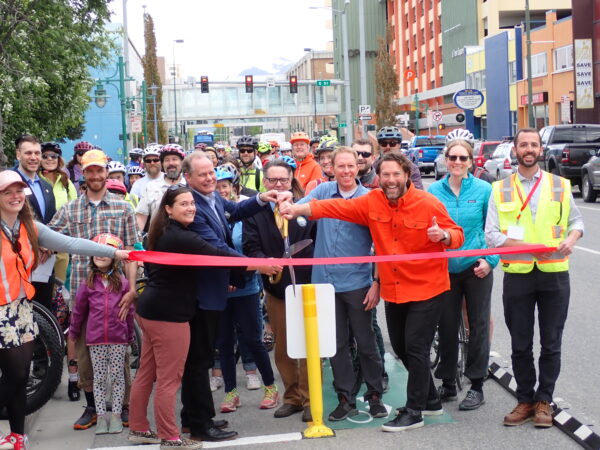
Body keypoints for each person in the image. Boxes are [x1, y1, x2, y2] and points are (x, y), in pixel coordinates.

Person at [280, 151, 464, 432]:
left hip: (427, 287)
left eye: (396, 175)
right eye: (385, 175)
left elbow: (457, 234)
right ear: (379, 177)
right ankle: (430, 400)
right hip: (395, 289)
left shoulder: (427, 203)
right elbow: (331, 208)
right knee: (402, 348)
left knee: (415, 348)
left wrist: (444, 236)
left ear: (405, 176)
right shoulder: (371, 201)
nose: (390, 180)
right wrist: (297, 209)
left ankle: (414, 411)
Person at [0, 170, 130, 450]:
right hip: (0, 312)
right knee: (15, 375)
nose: (15, 196)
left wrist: (113, 253)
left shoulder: (30, 227)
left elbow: (71, 244)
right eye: (7, 192)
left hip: (22, 308)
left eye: (19, 191)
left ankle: (16, 436)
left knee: (21, 375)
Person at [128, 185, 244, 450]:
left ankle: (138, 428)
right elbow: (218, 254)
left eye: (192, 203)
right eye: (184, 204)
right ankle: (170, 437)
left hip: (152, 309)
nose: (191, 207)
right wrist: (259, 264)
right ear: (168, 209)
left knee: (147, 372)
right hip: (169, 315)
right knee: (169, 379)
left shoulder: (165, 231)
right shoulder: (178, 236)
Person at [180, 152, 283, 442]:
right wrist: (256, 264)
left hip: (226, 289)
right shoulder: (193, 207)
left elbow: (235, 210)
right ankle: (200, 425)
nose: (210, 178)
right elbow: (215, 250)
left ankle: (197, 418)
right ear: (188, 178)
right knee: (200, 361)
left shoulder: (210, 198)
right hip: (206, 294)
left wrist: (263, 198)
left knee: (204, 358)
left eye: (211, 172)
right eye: (203, 174)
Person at [485, 128, 584, 428]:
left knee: (551, 342)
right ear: (514, 150)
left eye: (534, 144)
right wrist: (529, 248)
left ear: (541, 149)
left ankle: (545, 401)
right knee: (520, 343)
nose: (529, 149)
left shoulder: (560, 186)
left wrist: (572, 238)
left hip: (554, 274)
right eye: (523, 145)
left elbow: (576, 222)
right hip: (518, 275)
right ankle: (525, 399)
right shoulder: (499, 189)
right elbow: (491, 235)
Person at [49, 149, 139, 431]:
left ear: (106, 172)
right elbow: (50, 235)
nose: (96, 175)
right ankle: (93, 407)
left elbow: (132, 252)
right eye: (90, 171)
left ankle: (124, 406)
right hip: (83, 293)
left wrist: (132, 289)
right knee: (87, 356)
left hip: (117, 296)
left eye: (100, 170)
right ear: (83, 174)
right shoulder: (70, 209)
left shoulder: (123, 208)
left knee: (121, 354)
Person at [297, 147, 386, 421]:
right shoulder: (322, 192)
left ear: (358, 167)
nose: (347, 171)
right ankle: (345, 397)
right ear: (331, 168)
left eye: (351, 166)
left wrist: (376, 282)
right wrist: (291, 207)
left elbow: (381, 245)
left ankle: (374, 395)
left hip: (357, 282)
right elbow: (302, 211)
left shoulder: (371, 198)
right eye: (341, 166)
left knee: (366, 342)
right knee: (336, 344)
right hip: (324, 283)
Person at [428, 139, 499, 411]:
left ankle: (477, 383)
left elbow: (493, 230)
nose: (457, 162)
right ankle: (447, 381)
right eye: (452, 157)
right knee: (445, 325)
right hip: (445, 268)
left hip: (476, 266)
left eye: (462, 158)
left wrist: (490, 261)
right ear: (446, 160)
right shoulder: (434, 190)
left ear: (471, 161)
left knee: (478, 324)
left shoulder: (483, 190)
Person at [243, 159, 315, 423]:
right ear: (265, 182)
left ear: (291, 179)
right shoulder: (255, 212)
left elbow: (316, 242)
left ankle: (310, 399)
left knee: (309, 346)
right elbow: (251, 247)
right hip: (276, 289)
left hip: (308, 288)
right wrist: (266, 264)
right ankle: (292, 398)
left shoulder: (306, 206)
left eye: (282, 180)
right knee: (284, 347)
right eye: (272, 180)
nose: (278, 185)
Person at [214, 169, 280, 413]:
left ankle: (271, 388)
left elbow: (251, 249)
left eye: (225, 186)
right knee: (224, 342)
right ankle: (231, 393)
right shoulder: (210, 215)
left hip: (247, 288)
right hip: (220, 290)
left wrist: (240, 275)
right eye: (217, 186)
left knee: (254, 340)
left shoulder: (243, 214)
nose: (221, 190)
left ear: (234, 188)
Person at [68, 233, 134, 436]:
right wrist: (74, 332)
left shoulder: (123, 283)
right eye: (97, 252)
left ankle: (115, 415)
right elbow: (78, 311)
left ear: (114, 257)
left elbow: (129, 311)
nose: (101, 255)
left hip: (117, 339)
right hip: (95, 340)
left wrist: (129, 335)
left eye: (105, 252)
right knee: (98, 378)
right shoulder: (87, 284)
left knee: (117, 378)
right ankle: (101, 416)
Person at [13, 135, 57, 314]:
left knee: (43, 312)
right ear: (18, 155)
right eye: (28, 153)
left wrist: (50, 246)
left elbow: (52, 221)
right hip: (18, 259)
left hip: (45, 261)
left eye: (37, 153)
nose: (33, 157)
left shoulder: (46, 186)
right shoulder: (10, 183)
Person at [38, 142, 77, 284]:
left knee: (59, 285)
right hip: (38, 242)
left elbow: (74, 209)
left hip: (61, 241)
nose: (49, 159)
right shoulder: (35, 181)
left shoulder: (66, 183)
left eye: (53, 156)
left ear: (59, 159)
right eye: (45, 156)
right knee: (40, 285)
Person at [135, 144, 186, 232]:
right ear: (162, 164)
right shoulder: (151, 187)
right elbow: (141, 216)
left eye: (174, 159)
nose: (171, 163)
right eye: (167, 160)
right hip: (157, 240)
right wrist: (137, 240)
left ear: (182, 162)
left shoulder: (189, 185)